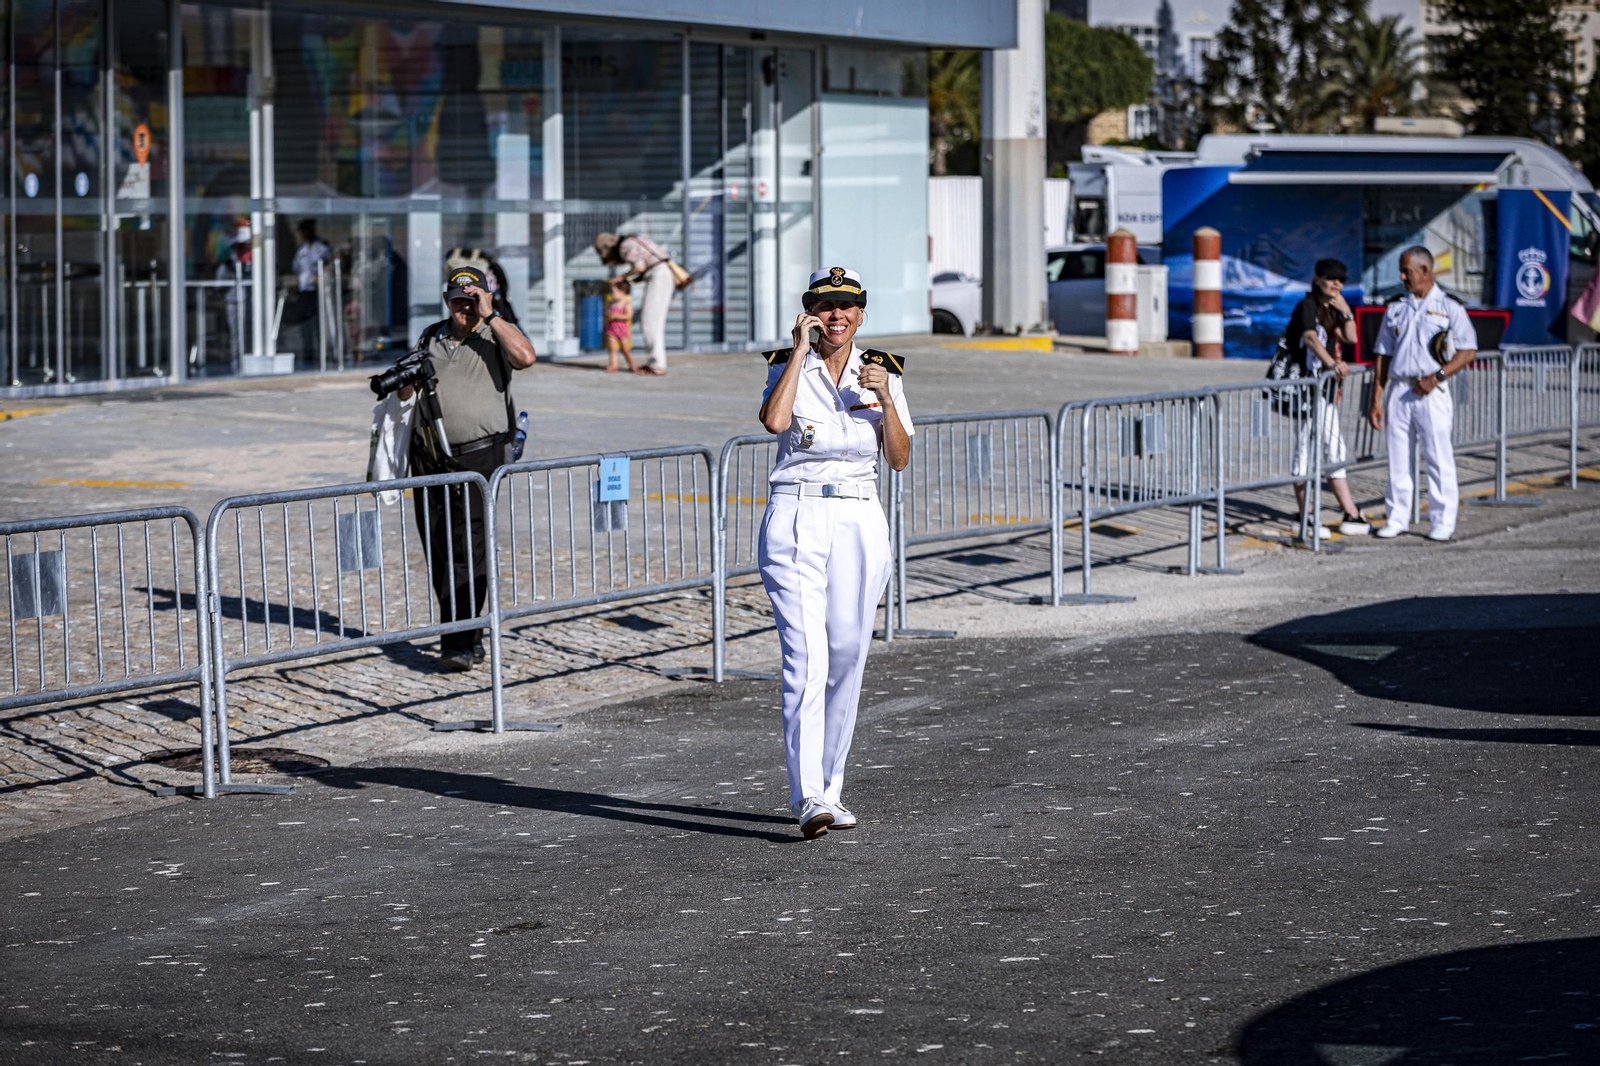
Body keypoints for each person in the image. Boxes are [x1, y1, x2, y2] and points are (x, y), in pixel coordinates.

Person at [757, 267, 912, 839]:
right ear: (809, 314)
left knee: (848, 654)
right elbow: (774, 421)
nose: (836, 316)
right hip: (797, 513)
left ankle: (832, 787)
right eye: (825, 307)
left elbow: (897, 457)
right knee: (807, 659)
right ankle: (808, 799)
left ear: (862, 315)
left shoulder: (883, 370)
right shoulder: (785, 364)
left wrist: (884, 398)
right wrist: (800, 352)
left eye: (846, 307)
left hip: (859, 514)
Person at [398, 266, 537, 671]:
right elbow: (407, 392)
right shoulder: (430, 336)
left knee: (470, 549)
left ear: (486, 298)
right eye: (459, 300)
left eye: (472, 299)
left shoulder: (496, 333)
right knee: (438, 547)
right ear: (447, 300)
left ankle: (457, 643)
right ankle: (469, 636)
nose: (465, 307)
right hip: (429, 455)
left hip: (480, 455)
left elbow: (526, 358)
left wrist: (491, 313)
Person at [1368, 246, 1478, 542]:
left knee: (1438, 458)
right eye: (1402, 271)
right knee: (1398, 458)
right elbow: (1383, 355)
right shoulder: (1395, 307)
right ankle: (1397, 517)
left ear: (1426, 271)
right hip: (1400, 389)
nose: (1403, 276)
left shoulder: (1449, 305)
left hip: (1432, 391)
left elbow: (1468, 350)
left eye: (1408, 271)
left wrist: (1438, 376)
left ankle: (1443, 520)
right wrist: (1375, 399)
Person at [1285, 258, 1370, 538]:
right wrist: (1331, 364)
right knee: (1305, 451)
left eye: (1341, 279)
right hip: (1306, 391)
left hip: (1326, 393)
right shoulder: (1306, 306)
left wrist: (1346, 310)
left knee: (1334, 448)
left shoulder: (1331, 308)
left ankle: (1351, 513)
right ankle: (1306, 515)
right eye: (1331, 278)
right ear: (1317, 278)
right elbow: (1310, 338)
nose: (1337, 284)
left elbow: (1352, 339)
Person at [594, 231, 673, 375]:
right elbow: (648, 266)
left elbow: (640, 267)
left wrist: (621, 277)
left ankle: (657, 365)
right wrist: (630, 280)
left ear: (609, 249)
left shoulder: (625, 246)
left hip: (659, 277)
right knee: (654, 321)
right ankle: (655, 362)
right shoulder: (634, 240)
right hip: (662, 275)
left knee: (650, 321)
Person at [291, 219, 332, 362]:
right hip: (304, 291)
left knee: (319, 323)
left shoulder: (321, 249)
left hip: (317, 291)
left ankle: (322, 353)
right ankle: (307, 351)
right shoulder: (301, 251)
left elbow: (329, 267)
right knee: (304, 324)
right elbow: (297, 270)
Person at [602, 277, 640, 374]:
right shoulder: (612, 304)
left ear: (622, 292)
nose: (612, 294)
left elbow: (629, 316)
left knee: (625, 349)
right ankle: (613, 365)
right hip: (611, 330)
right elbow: (608, 316)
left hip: (622, 330)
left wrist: (617, 316)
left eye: (614, 292)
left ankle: (632, 365)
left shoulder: (626, 304)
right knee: (612, 349)